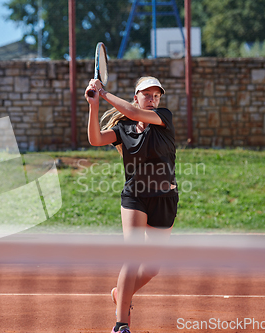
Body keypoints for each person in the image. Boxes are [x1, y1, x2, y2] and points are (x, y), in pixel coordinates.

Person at [85, 76, 179, 333]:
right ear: (136, 95)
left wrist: (103, 92)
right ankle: (121, 323)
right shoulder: (123, 131)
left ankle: (120, 293)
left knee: (152, 268)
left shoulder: (164, 118)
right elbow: (95, 139)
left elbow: (131, 111)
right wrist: (94, 105)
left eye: (156, 95)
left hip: (165, 199)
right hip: (135, 196)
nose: (152, 100)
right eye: (147, 95)